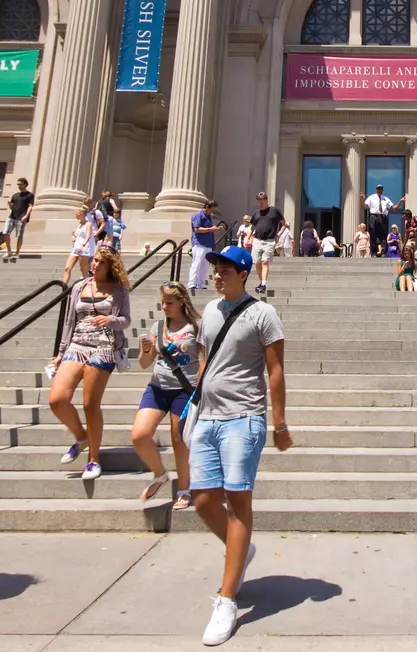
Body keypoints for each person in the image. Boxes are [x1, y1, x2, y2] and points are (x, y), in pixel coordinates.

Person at [189, 246, 289, 646]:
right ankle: (240, 548)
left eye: (225, 270)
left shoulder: (263, 314)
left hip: (244, 417)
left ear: (244, 274)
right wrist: (194, 406)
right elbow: (204, 362)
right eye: (215, 270)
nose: (217, 276)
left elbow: (276, 369)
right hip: (207, 418)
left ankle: (227, 599)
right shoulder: (211, 310)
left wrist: (279, 422)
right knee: (201, 500)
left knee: (237, 498)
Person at [47, 247, 132, 481]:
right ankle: (82, 436)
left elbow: (126, 320)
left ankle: (93, 459)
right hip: (77, 345)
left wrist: (110, 319)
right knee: (57, 399)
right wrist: (60, 352)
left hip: (103, 347)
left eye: (100, 263)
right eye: (94, 261)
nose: (95, 265)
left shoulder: (119, 291)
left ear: (110, 267)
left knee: (89, 404)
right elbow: (69, 321)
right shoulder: (79, 287)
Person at [133, 281, 201, 511]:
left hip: (184, 389)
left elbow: (205, 359)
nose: (165, 306)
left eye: (169, 302)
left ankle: (184, 489)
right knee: (139, 435)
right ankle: (160, 474)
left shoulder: (195, 327)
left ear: (182, 301)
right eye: (162, 302)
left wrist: (201, 387)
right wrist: (144, 350)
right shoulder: (158, 327)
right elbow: (144, 364)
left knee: (178, 439)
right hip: (157, 387)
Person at [249, 192, 284, 293]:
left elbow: (284, 223)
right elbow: (252, 227)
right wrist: (248, 237)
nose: (260, 204)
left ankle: (263, 284)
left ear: (266, 200)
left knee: (265, 262)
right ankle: (261, 281)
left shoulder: (274, 211)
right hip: (257, 240)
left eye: (262, 202)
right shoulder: (256, 213)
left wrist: (279, 234)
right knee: (257, 263)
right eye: (259, 202)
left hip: (269, 241)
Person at [363, 184, 403, 258]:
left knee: (383, 235)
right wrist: (362, 199)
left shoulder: (386, 199)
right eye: (378, 189)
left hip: (383, 217)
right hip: (373, 216)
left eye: (381, 189)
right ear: (376, 189)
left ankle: (383, 252)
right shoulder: (371, 197)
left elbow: (394, 208)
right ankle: (374, 252)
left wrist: (400, 202)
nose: (379, 190)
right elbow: (365, 206)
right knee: (373, 233)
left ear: (382, 190)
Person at [0, 178, 34, 260]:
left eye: (21, 184)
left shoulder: (29, 195)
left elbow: (30, 206)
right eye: (18, 184)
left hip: (21, 218)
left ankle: (17, 252)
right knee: (5, 233)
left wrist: (26, 215)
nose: (19, 186)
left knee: (19, 236)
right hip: (12, 216)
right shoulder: (15, 195)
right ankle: (9, 251)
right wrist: (10, 205)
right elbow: (12, 207)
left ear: (25, 184)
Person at [189, 200, 220, 290]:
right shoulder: (198, 215)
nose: (212, 212)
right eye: (211, 210)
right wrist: (211, 229)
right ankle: (192, 283)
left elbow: (209, 229)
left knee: (205, 264)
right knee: (197, 263)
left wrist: (215, 229)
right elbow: (197, 229)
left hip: (208, 243)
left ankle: (200, 283)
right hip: (199, 243)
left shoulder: (209, 217)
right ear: (206, 207)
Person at [63, 207, 94, 284]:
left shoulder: (88, 224)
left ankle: (87, 286)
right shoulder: (80, 224)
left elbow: (88, 236)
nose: (75, 215)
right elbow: (79, 236)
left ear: (82, 214)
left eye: (77, 214)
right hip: (75, 248)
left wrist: (83, 245)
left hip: (83, 249)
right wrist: (74, 236)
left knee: (83, 270)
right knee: (67, 268)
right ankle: (64, 287)